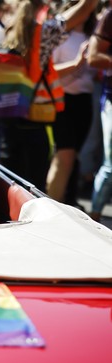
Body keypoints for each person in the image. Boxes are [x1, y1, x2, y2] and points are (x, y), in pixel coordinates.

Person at [0, 0, 98, 192]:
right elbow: (85, 10)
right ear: (41, 7)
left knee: (11, 183)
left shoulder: (1, 32)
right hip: (35, 115)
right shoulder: (44, 32)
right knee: (34, 184)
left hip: (6, 117)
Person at [46, 3, 97, 207]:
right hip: (61, 100)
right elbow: (49, 73)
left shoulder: (92, 35)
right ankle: (52, 207)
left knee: (72, 156)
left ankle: (68, 201)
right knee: (64, 156)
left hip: (84, 101)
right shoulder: (58, 36)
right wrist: (76, 64)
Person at [89, 7, 112, 222]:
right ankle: (93, 219)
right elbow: (93, 56)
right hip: (111, 98)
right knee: (111, 165)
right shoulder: (110, 16)